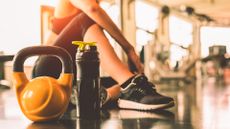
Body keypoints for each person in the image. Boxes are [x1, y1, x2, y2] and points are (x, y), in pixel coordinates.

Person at [32, 0, 174, 110]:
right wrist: (128, 48)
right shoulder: (88, 6)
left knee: (116, 81)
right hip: (47, 73)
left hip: (70, 78)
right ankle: (130, 86)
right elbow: (92, 9)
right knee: (85, 18)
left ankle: (92, 96)